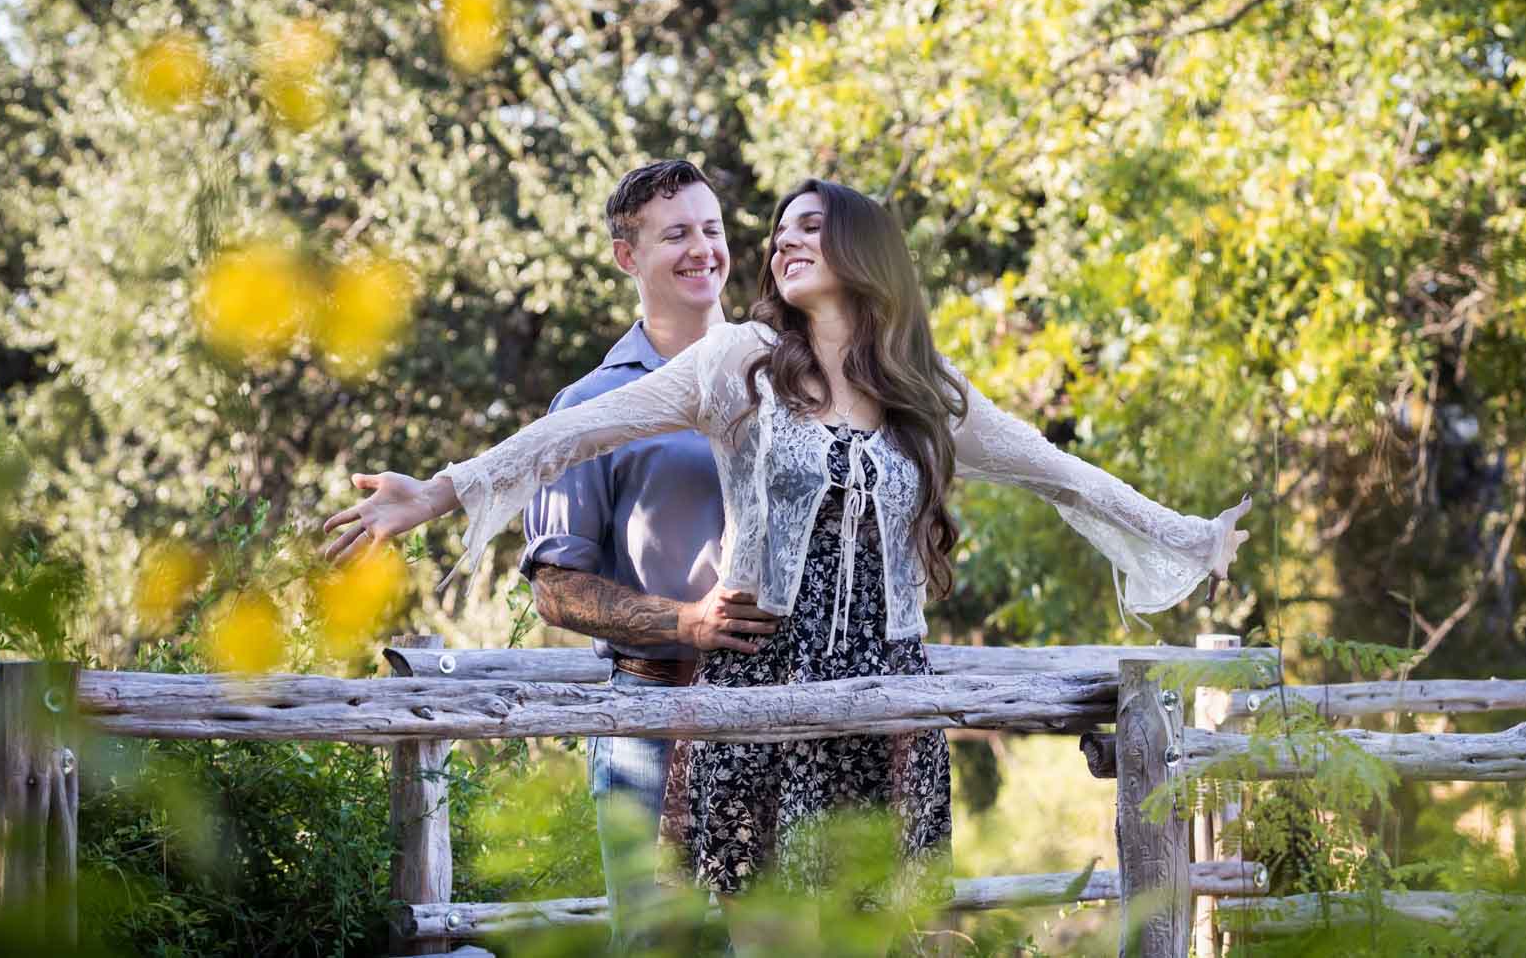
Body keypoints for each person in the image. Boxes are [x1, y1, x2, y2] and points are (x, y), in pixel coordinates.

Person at [323, 178, 1251, 943]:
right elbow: (570, 434)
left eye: (806, 227)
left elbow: (1064, 475)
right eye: (777, 232)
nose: (779, 244)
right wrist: (438, 492)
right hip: (763, 689)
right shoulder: (739, 361)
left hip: (890, 700)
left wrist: (1191, 537)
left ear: (862, 250)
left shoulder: (922, 386)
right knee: (773, 942)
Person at [514, 159, 777, 949]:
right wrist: (686, 622)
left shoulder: (786, 378)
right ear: (628, 257)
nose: (703, 250)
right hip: (648, 727)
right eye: (676, 235)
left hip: (781, 710)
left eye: (712, 229)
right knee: (660, 946)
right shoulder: (589, 405)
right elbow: (555, 588)